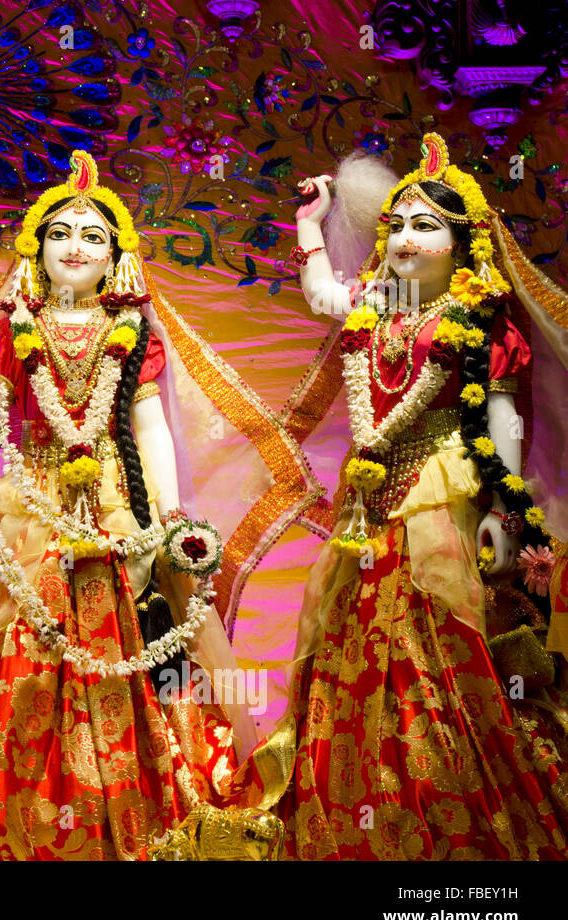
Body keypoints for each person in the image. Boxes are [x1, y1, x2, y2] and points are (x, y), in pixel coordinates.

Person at [0, 151, 261, 860]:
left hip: (115, 508)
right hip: (31, 504)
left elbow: (150, 427)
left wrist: (169, 516)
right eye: (61, 232)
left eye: (93, 236)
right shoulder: (13, 327)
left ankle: (122, 808)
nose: (75, 246)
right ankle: (12, 814)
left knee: (121, 645)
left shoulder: (133, 335)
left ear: (117, 260)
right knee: (18, 645)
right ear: (36, 247)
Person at [234, 133, 568, 859]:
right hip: (369, 500)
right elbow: (324, 292)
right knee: (350, 635)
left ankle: (450, 814)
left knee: (436, 638)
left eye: (428, 225)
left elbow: (503, 416)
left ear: (463, 243)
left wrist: (504, 513)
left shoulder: (480, 314)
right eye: (400, 224)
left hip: (443, 486)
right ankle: (361, 806)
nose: (409, 237)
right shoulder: (373, 307)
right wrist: (309, 224)